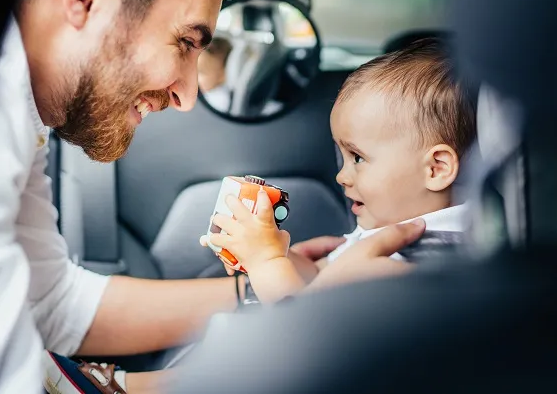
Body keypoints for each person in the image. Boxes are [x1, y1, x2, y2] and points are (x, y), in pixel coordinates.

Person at [0, 0, 423, 394]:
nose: (188, 95)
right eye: (186, 42)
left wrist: (273, 282)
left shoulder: (25, 111)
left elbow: (52, 305)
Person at [203, 38, 477, 302]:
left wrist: (266, 262)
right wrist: (276, 251)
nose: (341, 177)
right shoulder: (390, 229)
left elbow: (306, 326)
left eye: (357, 158)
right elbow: (322, 277)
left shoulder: (425, 264)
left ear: (436, 168)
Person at [198, 36, 234, 112]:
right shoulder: (207, 91)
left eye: (201, 72)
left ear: (222, 76)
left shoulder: (220, 99)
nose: (194, 77)